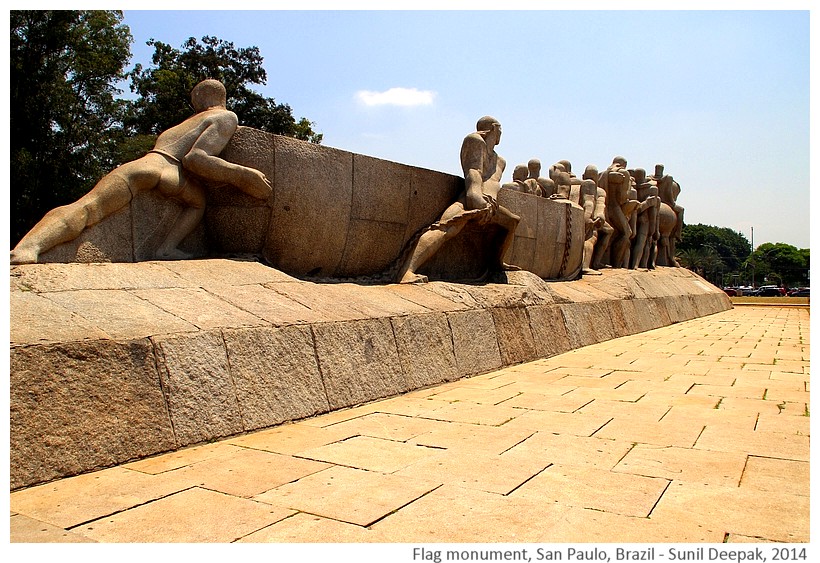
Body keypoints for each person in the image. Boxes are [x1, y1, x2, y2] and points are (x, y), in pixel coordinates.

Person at [10, 79, 272, 264]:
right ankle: (167, 248)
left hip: (148, 165)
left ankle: (29, 247)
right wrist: (243, 175)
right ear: (222, 98)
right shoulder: (226, 117)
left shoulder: (181, 125)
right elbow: (196, 159)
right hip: (174, 175)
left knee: (90, 206)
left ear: (201, 99)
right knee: (197, 203)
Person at [397, 116, 520, 284]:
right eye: (499, 129)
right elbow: (473, 173)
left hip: (491, 204)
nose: (501, 133)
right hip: (473, 198)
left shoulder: (500, 161)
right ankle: (407, 271)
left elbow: (492, 183)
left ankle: (496, 263)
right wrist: (476, 198)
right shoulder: (475, 140)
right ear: (492, 128)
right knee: (445, 227)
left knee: (512, 221)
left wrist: (490, 204)